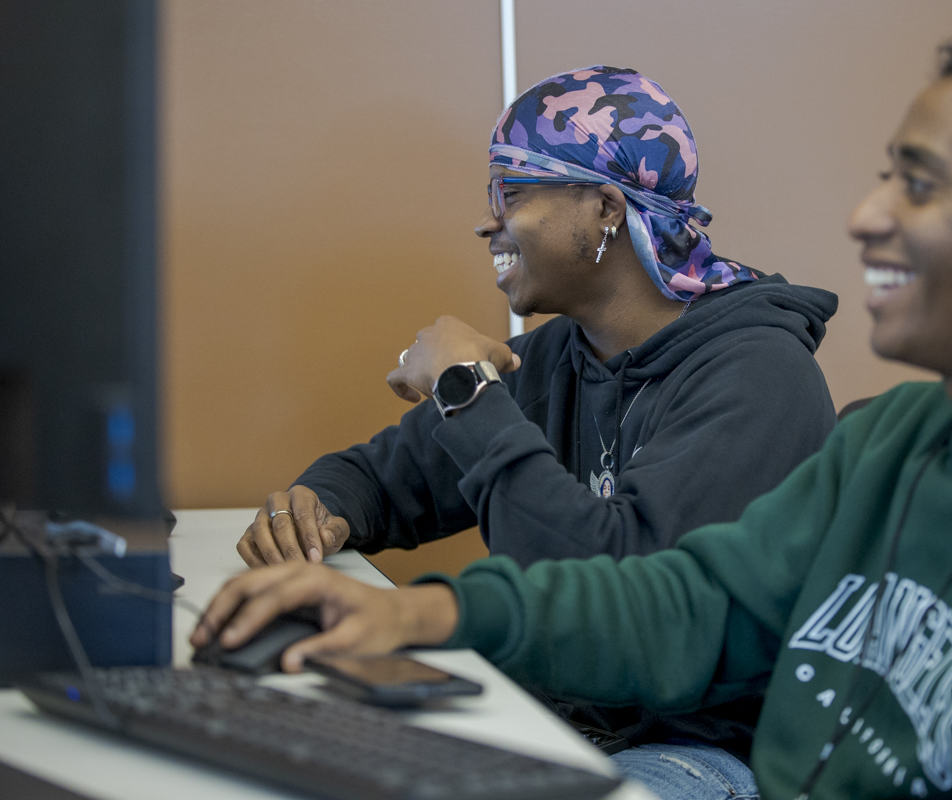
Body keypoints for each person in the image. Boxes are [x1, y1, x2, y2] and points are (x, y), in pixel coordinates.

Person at [196, 12, 952, 800]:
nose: (866, 213)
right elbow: (686, 604)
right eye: (889, 174)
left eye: (919, 184)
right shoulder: (892, 438)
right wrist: (416, 611)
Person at [235, 68, 837, 769]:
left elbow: (617, 615)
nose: (488, 220)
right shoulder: (560, 356)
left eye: (512, 193)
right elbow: (377, 479)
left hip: (698, 752)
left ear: (607, 208)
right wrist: (320, 508)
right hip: (559, 721)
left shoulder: (757, 376)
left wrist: (465, 389)